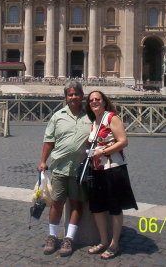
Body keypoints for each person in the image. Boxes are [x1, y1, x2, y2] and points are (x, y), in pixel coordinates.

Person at [38, 80, 91, 257]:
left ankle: (69, 238)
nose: (74, 97)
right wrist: (43, 161)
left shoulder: (91, 116)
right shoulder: (57, 116)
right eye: (70, 94)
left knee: (77, 203)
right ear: (66, 97)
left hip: (80, 169)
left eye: (76, 94)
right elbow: (48, 141)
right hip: (59, 167)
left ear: (82, 95)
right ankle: (52, 235)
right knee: (56, 203)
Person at [85, 91, 137, 259]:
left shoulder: (112, 118)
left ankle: (114, 244)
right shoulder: (94, 122)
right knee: (98, 207)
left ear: (104, 102)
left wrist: (103, 152)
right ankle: (103, 241)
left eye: (97, 99)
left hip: (113, 168)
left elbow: (123, 141)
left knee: (115, 208)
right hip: (97, 169)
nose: (94, 102)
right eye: (91, 100)